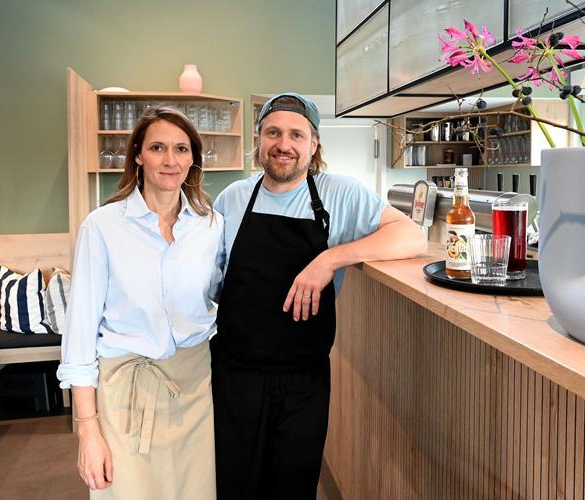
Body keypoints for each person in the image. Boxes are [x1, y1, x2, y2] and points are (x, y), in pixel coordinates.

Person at [211, 93, 427, 499]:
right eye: (273, 132)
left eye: (296, 134)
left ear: (314, 145)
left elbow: (411, 235)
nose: (283, 144)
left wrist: (330, 259)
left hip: (302, 380)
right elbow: (213, 279)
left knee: (292, 486)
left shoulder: (341, 193)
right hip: (233, 376)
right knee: (233, 485)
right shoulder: (233, 198)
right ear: (258, 140)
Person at [57, 106, 224, 499]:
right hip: (124, 392)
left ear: (193, 159)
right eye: (158, 147)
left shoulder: (212, 225)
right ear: (138, 155)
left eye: (182, 149)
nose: (171, 160)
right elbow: (79, 335)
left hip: (196, 389)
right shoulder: (102, 226)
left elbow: (223, 295)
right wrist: (88, 430)